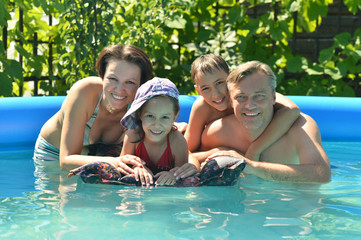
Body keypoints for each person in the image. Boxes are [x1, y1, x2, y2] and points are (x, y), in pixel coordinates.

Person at [200, 60, 331, 183]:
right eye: (241, 97)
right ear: (231, 101)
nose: (249, 105)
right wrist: (219, 152)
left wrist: (251, 166)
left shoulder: (300, 128)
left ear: (273, 97)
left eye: (259, 96)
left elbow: (321, 174)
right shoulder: (220, 131)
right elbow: (191, 157)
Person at [33, 44, 153, 174]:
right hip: (55, 156)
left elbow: (162, 125)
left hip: (106, 156)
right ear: (102, 76)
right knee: (65, 194)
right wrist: (113, 161)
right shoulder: (85, 92)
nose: (119, 89)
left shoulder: (140, 104)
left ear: (141, 84)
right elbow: (66, 161)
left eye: (130, 82)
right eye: (112, 79)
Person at [120, 77, 189, 186]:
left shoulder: (177, 141)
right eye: (150, 116)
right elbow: (123, 164)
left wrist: (172, 175)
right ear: (140, 114)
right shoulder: (133, 134)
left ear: (174, 116)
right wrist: (137, 167)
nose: (157, 125)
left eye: (165, 117)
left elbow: (182, 173)